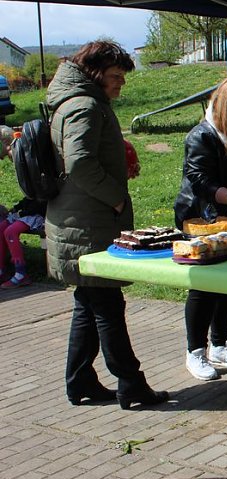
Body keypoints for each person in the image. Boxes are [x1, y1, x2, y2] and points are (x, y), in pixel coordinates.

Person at [45, 40, 168, 409]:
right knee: (107, 305)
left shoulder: (77, 101)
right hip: (88, 225)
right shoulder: (84, 105)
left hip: (78, 221)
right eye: (115, 76)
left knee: (90, 301)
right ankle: (131, 384)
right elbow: (80, 162)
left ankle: (80, 381)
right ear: (95, 73)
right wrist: (115, 196)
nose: (121, 84)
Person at [174, 77, 227, 380]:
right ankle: (194, 351)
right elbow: (198, 178)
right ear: (221, 109)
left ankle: (221, 345)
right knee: (204, 285)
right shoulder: (201, 136)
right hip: (201, 217)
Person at [0, 196, 46, 288]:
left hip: (36, 215)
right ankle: (1, 270)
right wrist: (16, 207)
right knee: (1, 228)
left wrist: (21, 213)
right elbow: (29, 197)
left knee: (10, 232)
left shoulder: (43, 183)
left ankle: (21, 274)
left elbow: (40, 204)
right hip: (25, 213)